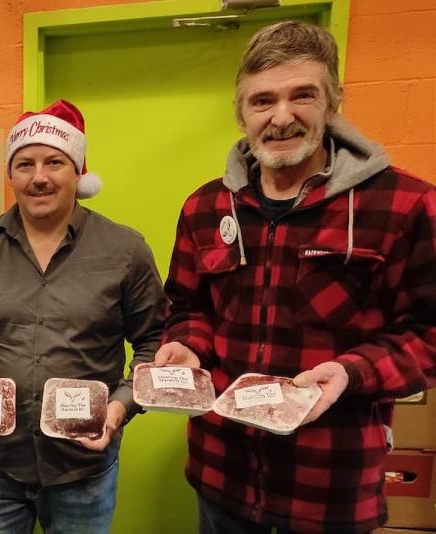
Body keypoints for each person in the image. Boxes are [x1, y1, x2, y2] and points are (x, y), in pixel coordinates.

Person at [155, 21, 436, 534]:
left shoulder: (404, 204)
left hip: (330, 483)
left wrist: (352, 372)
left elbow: (428, 331)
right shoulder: (205, 207)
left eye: (302, 96)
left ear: (333, 104)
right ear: (241, 114)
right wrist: (187, 346)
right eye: (262, 101)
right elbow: (188, 307)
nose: (281, 117)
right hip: (223, 471)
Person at [0, 99, 166, 534]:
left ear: (78, 171)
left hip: (84, 470)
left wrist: (120, 407)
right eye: (25, 164)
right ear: (10, 175)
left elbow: (155, 340)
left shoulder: (125, 251)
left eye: (54, 162)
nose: (39, 177)